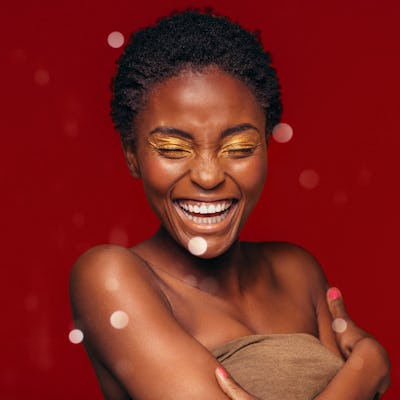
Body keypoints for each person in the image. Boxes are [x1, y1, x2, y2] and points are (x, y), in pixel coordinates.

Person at [69, 9, 390, 400]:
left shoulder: (297, 271)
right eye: (172, 148)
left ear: (266, 148)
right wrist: (365, 369)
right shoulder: (110, 277)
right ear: (132, 156)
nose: (208, 176)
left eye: (239, 147)